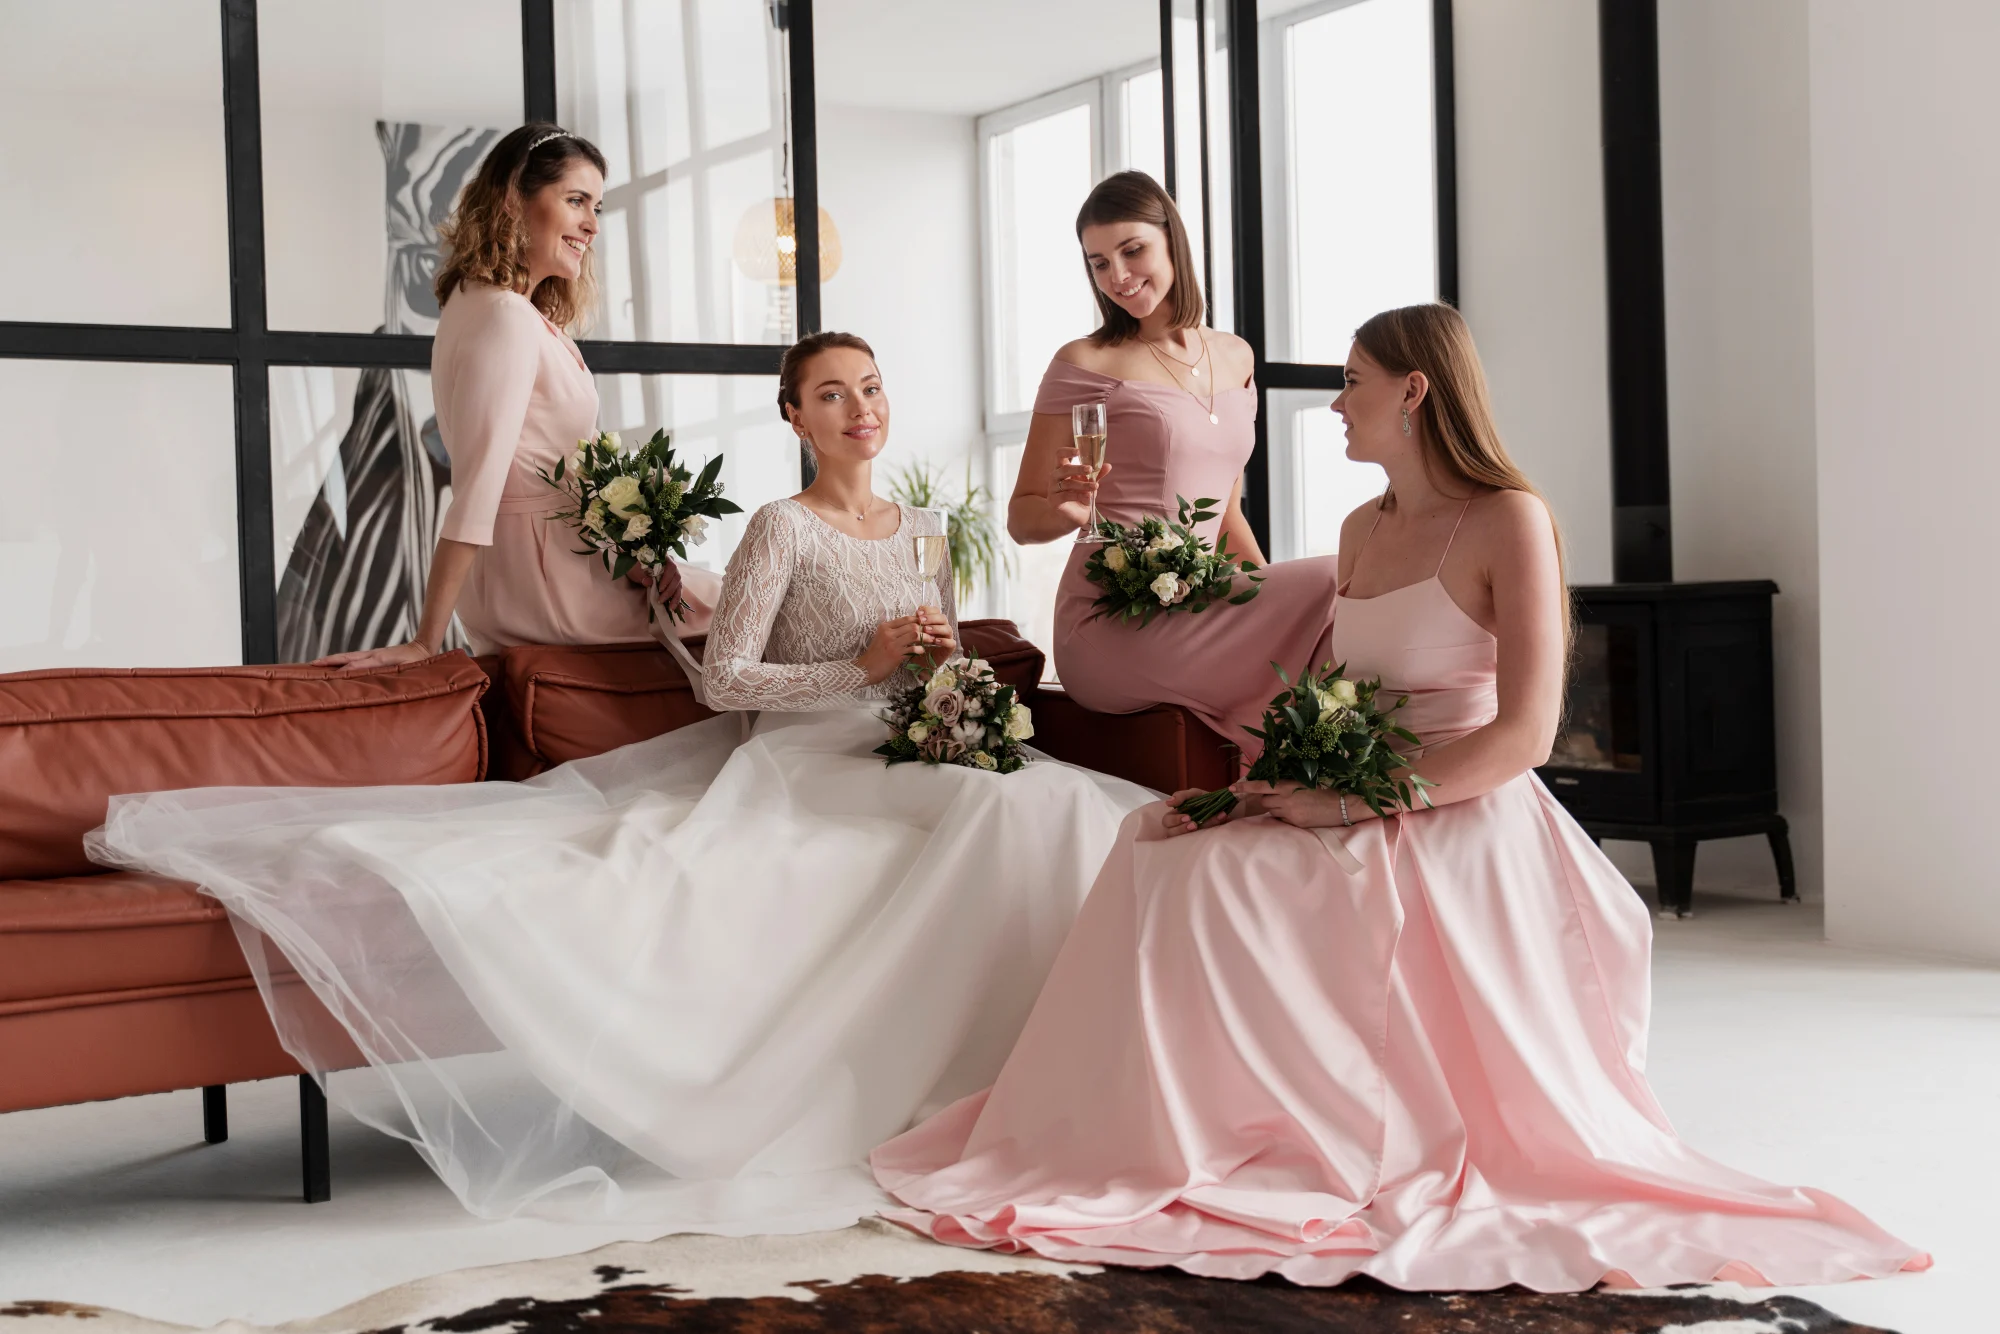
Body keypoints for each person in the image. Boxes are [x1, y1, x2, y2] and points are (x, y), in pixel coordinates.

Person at [873, 305, 1928, 1290]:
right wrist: (1272, 784)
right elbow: (1336, 691)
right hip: (1354, 779)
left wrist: (1358, 805)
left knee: (1219, 891)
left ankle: (1298, 1135)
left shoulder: (1509, 519)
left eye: (1351, 382)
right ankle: (1161, 1133)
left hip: (1454, 805)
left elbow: (1524, 732)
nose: (1333, 402)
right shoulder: (1359, 529)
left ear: (1415, 394)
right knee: (1157, 841)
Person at [87, 333, 1154, 1229]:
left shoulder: (922, 529)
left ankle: (1076, 1081)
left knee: (1058, 795)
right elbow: (726, 679)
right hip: (813, 755)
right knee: (1017, 802)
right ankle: (990, 1085)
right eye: (831, 392)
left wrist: (938, 678)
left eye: (869, 388)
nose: (858, 407)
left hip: (911, 742)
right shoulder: (779, 529)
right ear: (794, 416)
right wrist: (861, 667)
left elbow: (942, 652)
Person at [321, 122, 716, 669]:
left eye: (597, 207)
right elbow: (478, 488)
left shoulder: (485, 305)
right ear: (513, 199)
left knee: (737, 600)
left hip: (552, 565)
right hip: (542, 581)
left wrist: (633, 556)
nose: (591, 225)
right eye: (576, 200)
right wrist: (425, 642)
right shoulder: (505, 316)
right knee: (753, 612)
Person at [1005, 171, 1338, 750]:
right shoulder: (1085, 361)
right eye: (1099, 263)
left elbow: (1226, 518)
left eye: (1132, 251)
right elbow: (1023, 517)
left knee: (1343, 599)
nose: (1119, 276)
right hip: (1111, 623)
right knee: (1337, 575)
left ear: (1172, 240)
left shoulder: (1235, 356)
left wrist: (1268, 594)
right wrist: (1068, 510)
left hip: (1199, 602)